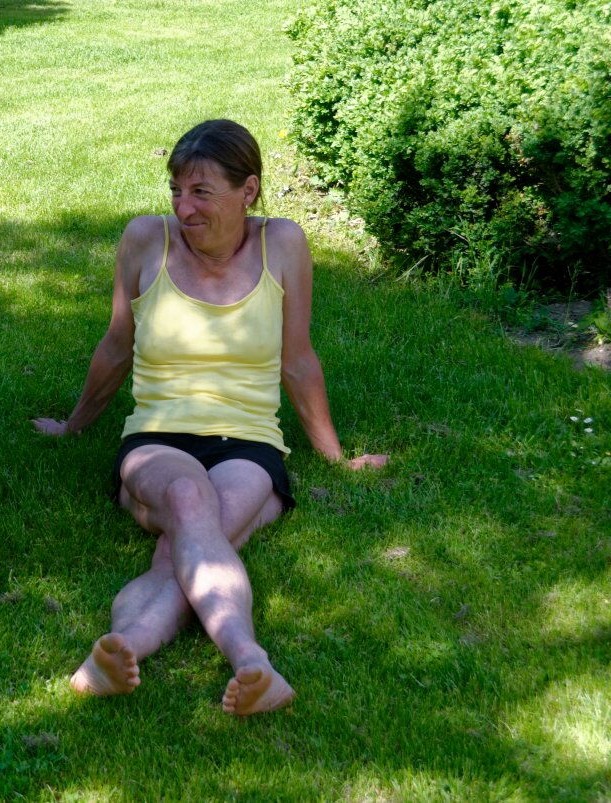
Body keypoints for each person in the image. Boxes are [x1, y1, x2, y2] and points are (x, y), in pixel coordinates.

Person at [33, 119, 387, 716]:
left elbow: (298, 360)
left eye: (201, 192)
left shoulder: (283, 245)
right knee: (190, 502)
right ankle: (250, 657)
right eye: (176, 191)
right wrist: (74, 426)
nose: (184, 208)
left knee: (189, 540)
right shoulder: (146, 239)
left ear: (248, 191)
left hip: (247, 443)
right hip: (157, 440)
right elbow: (117, 346)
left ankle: (125, 647)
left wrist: (335, 458)